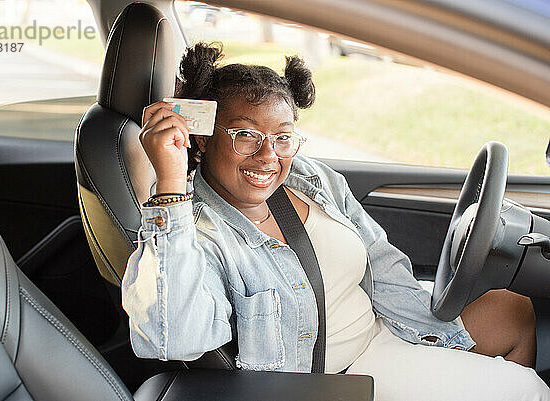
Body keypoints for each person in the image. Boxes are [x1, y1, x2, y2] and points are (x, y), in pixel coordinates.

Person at [122, 42, 549, 400]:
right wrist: (171, 182)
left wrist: (429, 323)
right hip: (336, 378)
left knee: (513, 309)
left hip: (386, 324)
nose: (268, 155)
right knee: (527, 389)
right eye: (245, 134)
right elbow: (174, 338)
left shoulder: (312, 179)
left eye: (283, 136)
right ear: (204, 134)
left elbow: (379, 257)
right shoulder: (195, 230)